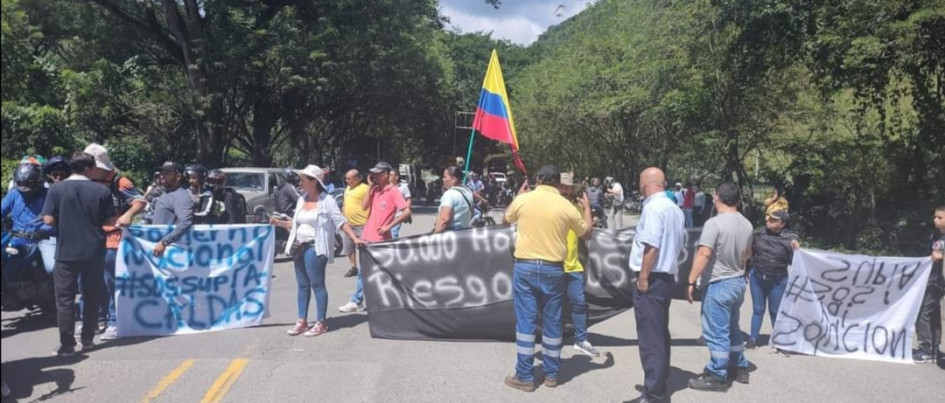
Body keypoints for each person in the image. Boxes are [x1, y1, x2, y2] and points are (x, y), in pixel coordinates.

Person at [502, 164, 592, 392]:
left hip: (526, 267)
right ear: (556, 182)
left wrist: (518, 196)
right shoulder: (565, 205)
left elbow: (505, 220)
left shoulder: (525, 200)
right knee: (553, 321)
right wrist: (588, 208)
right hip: (554, 269)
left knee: (526, 322)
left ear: (539, 179)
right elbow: (586, 233)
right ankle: (551, 374)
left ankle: (525, 375)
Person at [271, 165, 364, 337]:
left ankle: (321, 322)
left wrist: (355, 238)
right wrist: (279, 224)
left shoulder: (326, 201)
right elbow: (296, 224)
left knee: (316, 284)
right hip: (299, 246)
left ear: (314, 182)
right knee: (302, 285)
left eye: (303, 180)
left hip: (315, 247)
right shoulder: (302, 199)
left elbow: (340, 221)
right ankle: (302, 321)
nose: (300, 183)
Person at [41, 152, 116, 357]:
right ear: (89, 169)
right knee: (91, 295)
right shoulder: (102, 191)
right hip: (94, 250)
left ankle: (67, 345)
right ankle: (88, 340)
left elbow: (47, 220)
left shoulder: (57, 189)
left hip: (66, 251)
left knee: (64, 299)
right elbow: (110, 222)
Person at [686, 183, 754, 392]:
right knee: (733, 328)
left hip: (718, 284)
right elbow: (747, 255)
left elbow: (704, 254)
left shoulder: (714, 224)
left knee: (716, 332)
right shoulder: (747, 224)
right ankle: (740, 366)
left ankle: (717, 374)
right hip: (737, 281)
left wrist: (691, 280)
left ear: (716, 198)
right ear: (738, 201)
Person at [626, 167, 685, 403]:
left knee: (650, 337)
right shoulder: (674, 208)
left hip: (652, 277)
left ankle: (653, 394)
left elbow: (651, 246)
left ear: (644, 183)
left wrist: (643, 277)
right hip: (665, 278)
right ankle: (659, 384)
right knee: (660, 333)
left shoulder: (652, 208)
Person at [84, 143, 147, 341]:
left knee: (110, 280)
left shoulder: (119, 182)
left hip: (113, 237)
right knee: (89, 281)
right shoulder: (85, 180)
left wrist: (128, 214)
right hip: (90, 237)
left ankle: (114, 320)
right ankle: (95, 320)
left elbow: (140, 201)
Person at [339, 162, 411, 313]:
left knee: (381, 272)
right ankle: (358, 301)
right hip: (366, 237)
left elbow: (406, 212)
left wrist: (388, 226)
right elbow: (364, 206)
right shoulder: (375, 190)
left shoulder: (393, 191)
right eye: (374, 174)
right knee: (363, 271)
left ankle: (388, 300)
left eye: (377, 174)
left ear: (385, 174)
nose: (374, 176)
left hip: (381, 240)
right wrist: (370, 187)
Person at [558, 172, 599, 358]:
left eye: (568, 187)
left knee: (579, 304)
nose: (566, 190)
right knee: (552, 305)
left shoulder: (576, 206)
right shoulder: (550, 205)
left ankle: (581, 340)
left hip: (572, 265)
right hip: (553, 265)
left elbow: (587, 233)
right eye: (563, 186)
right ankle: (552, 338)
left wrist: (587, 208)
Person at [745, 210, 799, 350]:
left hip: (778, 281)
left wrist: (797, 250)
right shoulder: (759, 233)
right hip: (757, 278)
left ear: (782, 224)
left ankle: (778, 340)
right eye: (768, 218)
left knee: (775, 311)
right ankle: (753, 338)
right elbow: (750, 252)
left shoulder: (791, 239)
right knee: (758, 309)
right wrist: (747, 270)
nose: (768, 220)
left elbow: (796, 262)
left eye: (773, 220)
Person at [2, 162, 57, 275]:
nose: (24, 186)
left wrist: (43, 230)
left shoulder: (49, 194)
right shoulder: (14, 193)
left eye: (29, 183)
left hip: (44, 238)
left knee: (52, 268)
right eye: (21, 183)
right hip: (17, 237)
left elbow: (55, 217)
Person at [915, 206, 945, 364]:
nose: (936, 220)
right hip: (930, 279)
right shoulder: (935, 235)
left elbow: (939, 255)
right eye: (935, 217)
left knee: (923, 311)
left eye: (940, 217)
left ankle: (925, 350)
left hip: (940, 281)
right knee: (932, 313)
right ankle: (933, 349)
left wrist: (941, 255)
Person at [150, 162, 194, 258]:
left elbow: (185, 222)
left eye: (167, 173)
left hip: (168, 251)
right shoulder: (166, 192)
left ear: (178, 176)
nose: (162, 176)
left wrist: (165, 242)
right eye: (162, 173)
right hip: (158, 248)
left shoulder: (181, 196)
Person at [341, 169, 370, 278]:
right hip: (348, 224)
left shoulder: (365, 188)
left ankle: (366, 267)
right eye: (346, 178)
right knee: (349, 247)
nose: (347, 181)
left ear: (357, 178)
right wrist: (343, 215)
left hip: (362, 223)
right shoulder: (347, 188)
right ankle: (353, 267)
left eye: (349, 179)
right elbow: (344, 204)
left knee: (363, 247)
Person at [434, 165, 474, 232]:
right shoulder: (468, 192)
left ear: (453, 180)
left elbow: (444, 220)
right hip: (464, 232)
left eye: (445, 177)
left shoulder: (450, 194)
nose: (443, 179)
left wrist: (435, 236)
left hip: (450, 234)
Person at [388, 170, 412, 238]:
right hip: (388, 215)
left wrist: (406, 212)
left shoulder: (403, 187)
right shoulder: (386, 187)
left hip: (398, 215)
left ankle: (393, 247)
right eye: (389, 175)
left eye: (391, 175)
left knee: (394, 233)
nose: (389, 177)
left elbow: (408, 199)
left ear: (396, 177)